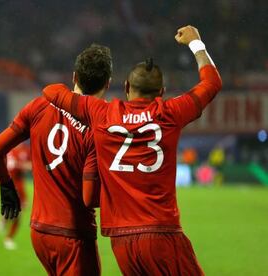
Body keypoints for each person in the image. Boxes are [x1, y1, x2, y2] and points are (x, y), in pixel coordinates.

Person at [43, 25, 222, 275]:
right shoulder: (170, 113)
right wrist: (196, 43)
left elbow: (51, 91)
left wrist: (82, 94)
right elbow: (212, 82)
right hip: (161, 234)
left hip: (121, 241)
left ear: (126, 86)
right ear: (161, 92)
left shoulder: (101, 112)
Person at [0, 44, 113, 275]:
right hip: (73, 234)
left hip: (40, 232)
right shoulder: (100, 126)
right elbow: (89, 197)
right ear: (108, 83)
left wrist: (7, 187)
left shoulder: (39, 106)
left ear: (74, 76)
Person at [0, 143, 31, 250]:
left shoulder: (26, 150)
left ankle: (4, 220)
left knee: (21, 208)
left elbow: (31, 165)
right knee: (18, 213)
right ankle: (9, 239)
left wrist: (20, 165)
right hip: (10, 185)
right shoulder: (8, 149)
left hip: (20, 185)